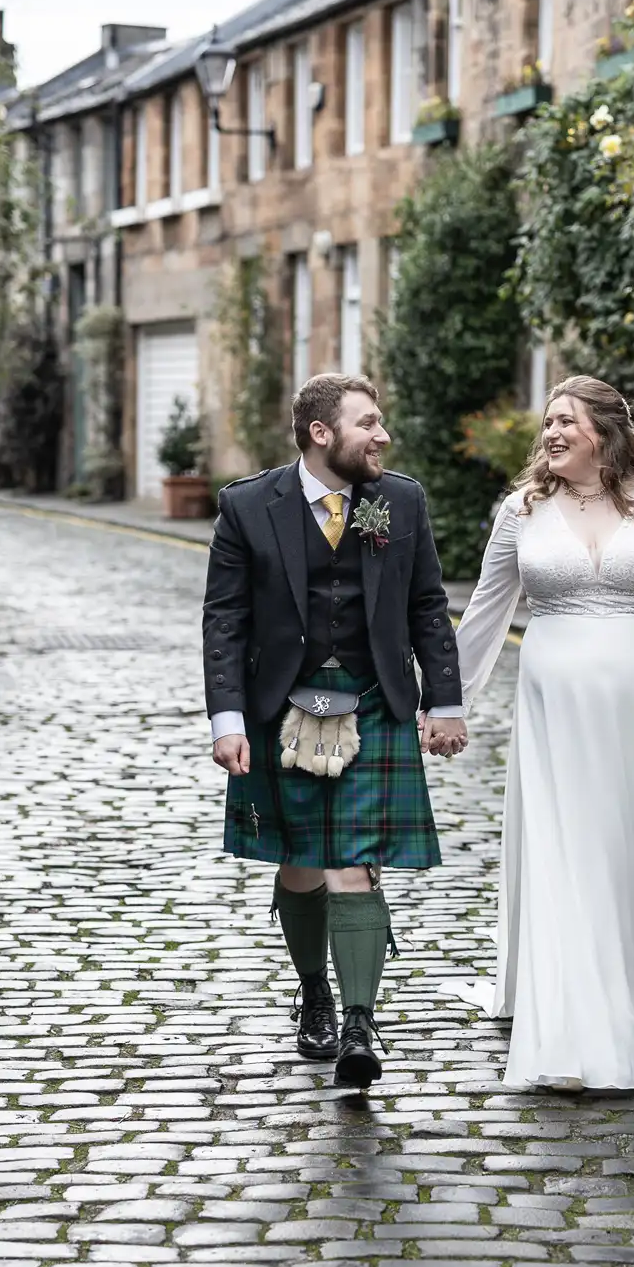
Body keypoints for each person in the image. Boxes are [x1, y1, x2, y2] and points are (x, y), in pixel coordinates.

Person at [453, 375, 634, 1093]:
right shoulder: (522, 511)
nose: (549, 433)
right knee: (574, 854)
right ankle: (579, 1030)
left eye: (564, 420)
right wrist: (445, 702)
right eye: (546, 422)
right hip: (558, 718)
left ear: (605, 431)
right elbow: (485, 612)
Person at [202, 373, 468, 1090]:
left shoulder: (399, 501)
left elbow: (425, 605)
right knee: (299, 859)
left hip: (373, 698)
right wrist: (228, 719)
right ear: (322, 433)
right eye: (368, 423)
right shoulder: (249, 506)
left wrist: (444, 701)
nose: (383, 436)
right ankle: (313, 989)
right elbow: (224, 620)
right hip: (281, 702)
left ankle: (359, 1019)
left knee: (354, 861)